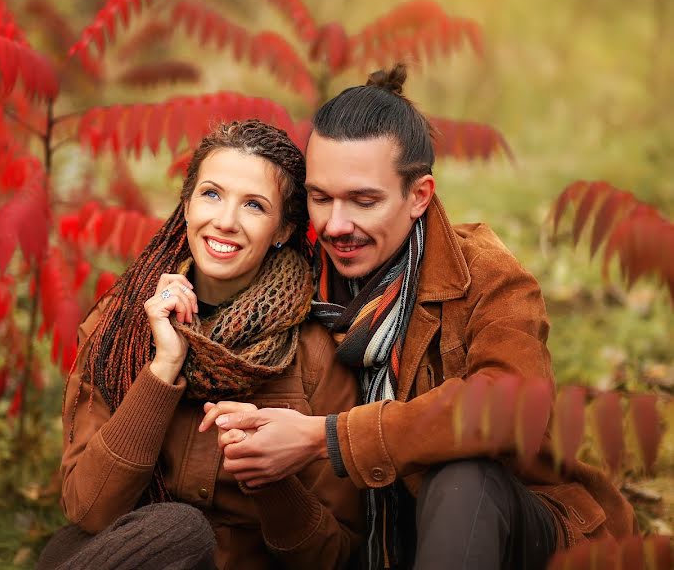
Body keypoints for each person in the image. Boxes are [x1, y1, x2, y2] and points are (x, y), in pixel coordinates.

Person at [202, 65, 637, 570]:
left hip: (511, 533)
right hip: (355, 543)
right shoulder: (285, 283)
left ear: (419, 196)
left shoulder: (486, 276)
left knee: (463, 479)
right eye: (320, 198)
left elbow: (511, 406)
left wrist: (326, 437)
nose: (336, 225)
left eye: (364, 201)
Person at [38, 120, 363, 570]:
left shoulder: (314, 352)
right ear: (186, 204)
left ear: (284, 229)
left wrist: (269, 478)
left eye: (253, 205)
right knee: (91, 543)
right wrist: (162, 369)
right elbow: (89, 511)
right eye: (211, 194)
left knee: (181, 530)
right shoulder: (120, 329)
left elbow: (337, 556)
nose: (225, 221)